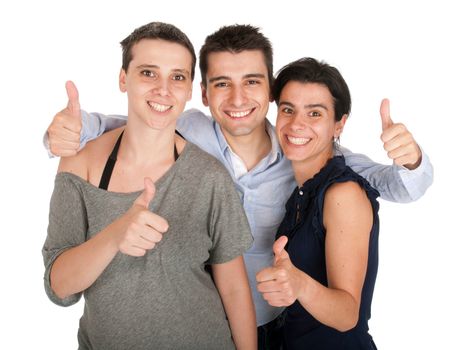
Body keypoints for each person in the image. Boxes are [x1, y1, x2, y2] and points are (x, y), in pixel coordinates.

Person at [44, 25, 433, 349]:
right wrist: (68, 131)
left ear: (270, 90)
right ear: (204, 93)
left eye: (252, 82)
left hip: (290, 325)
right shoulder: (190, 130)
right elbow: (139, 120)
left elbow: (393, 185)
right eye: (222, 84)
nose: (238, 98)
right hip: (213, 326)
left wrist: (411, 159)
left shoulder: (301, 147)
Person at [42, 22, 256, 350]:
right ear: (123, 78)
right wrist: (115, 236)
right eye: (148, 73)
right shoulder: (80, 165)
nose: (164, 89)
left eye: (178, 77)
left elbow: (234, 290)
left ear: (189, 90)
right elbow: (59, 288)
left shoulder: (210, 176)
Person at [257, 57, 384, 349]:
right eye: (288, 109)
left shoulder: (343, 194)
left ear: (339, 124)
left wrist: (298, 284)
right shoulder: (299, 192)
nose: (296, 124)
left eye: (315, 113)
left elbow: (347, 315)